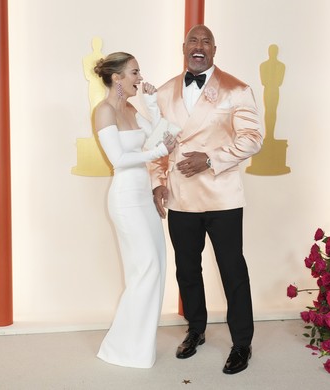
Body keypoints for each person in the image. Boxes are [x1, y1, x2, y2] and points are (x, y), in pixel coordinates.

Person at [149, 25, 263, 374]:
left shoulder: (235, 89)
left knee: (233, 271)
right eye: (193, 41)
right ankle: (195, 329)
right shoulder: (165, 92)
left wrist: (210, 159)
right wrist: (157, 182)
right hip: (181, 198)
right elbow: (156, 145)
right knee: (187, 270)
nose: (199, 47)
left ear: (214, 49)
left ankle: (242, 343)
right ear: (184, 47)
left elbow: (253, 138)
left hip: (223, 197)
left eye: (206, 42)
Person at [92, 52, 176, 368]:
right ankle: (121, 348)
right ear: (116, 77)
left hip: (143, 196)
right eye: (134, 73)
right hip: (125, 199)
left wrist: (153, 106)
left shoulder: (131, 107)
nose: (140, 78)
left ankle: (137, 346)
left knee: (156, 266)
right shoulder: (103, 112)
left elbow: (163, 135)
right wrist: (157, 150)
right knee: (146, 268)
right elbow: (118, 159)